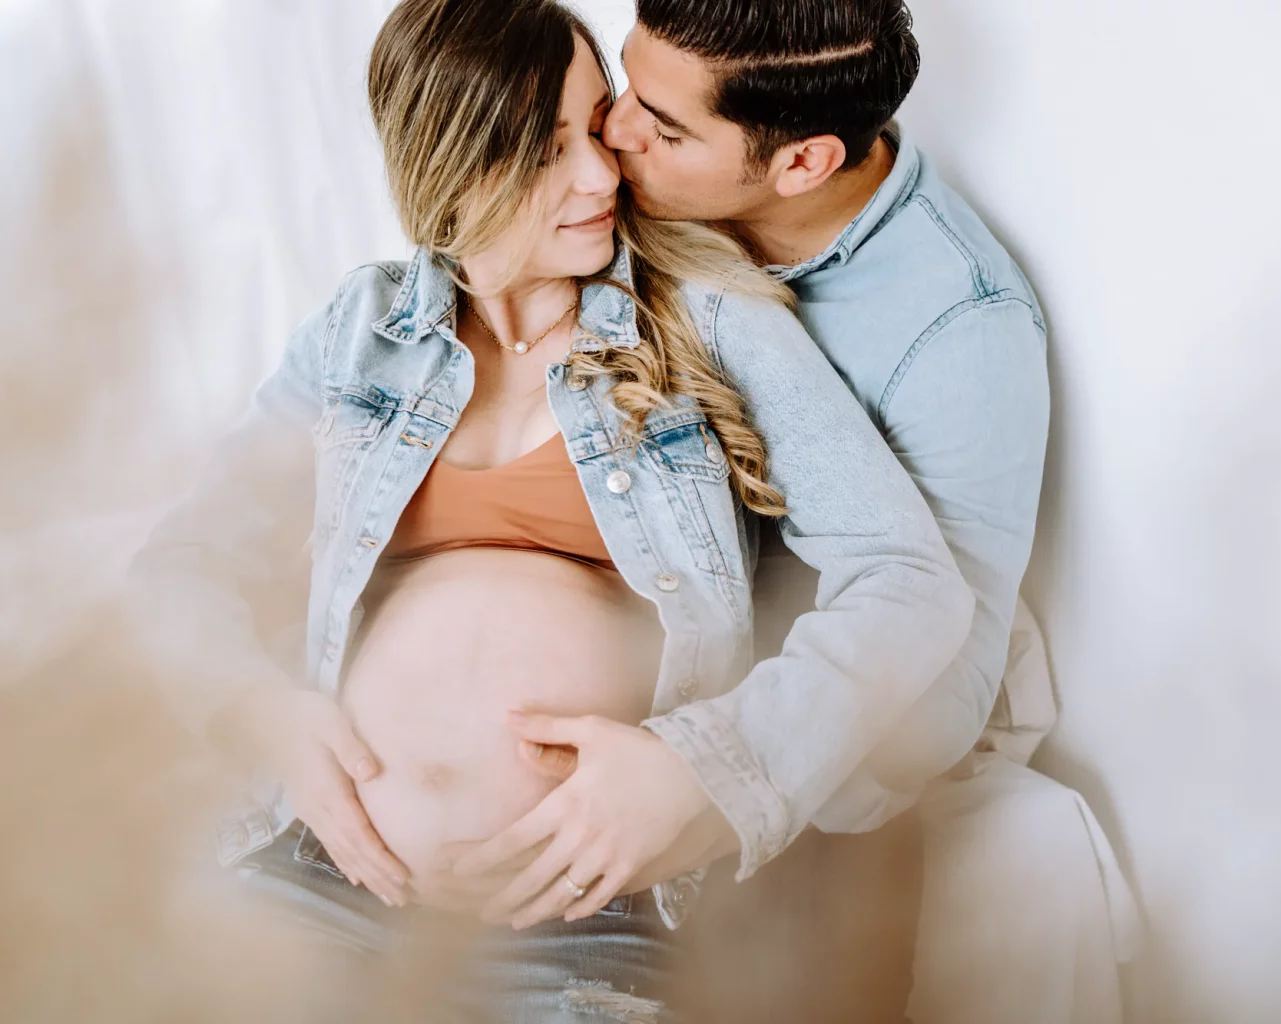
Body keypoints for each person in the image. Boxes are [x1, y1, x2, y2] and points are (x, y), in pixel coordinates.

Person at [128, 0, 974, 1018]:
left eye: (597, 122)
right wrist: (262, 716)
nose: (603, 173)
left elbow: (908, 581)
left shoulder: (706, 317)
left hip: (581, 918)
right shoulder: (359, 332)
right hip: (321, 874)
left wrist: (702, 774)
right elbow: (181, 566)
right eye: (548, 150)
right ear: (453, 162)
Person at [527, 0, 1135, 1020]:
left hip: (784, 757)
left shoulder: (960, 333)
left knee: (1023, 851)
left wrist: (701, 776)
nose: (615, 130)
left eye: (665, 127)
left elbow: (941, 694)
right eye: (631, 87)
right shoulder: (619, 189)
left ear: (803, 162)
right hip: (585, 688)